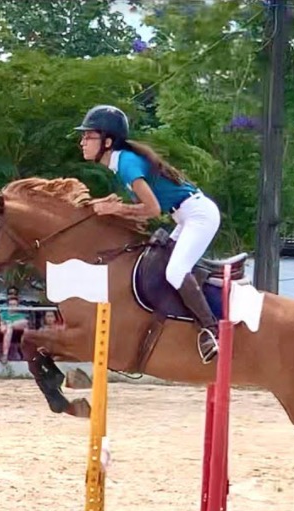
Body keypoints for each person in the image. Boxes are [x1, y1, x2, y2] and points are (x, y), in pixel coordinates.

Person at [75, 104, 221, 363]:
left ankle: (211, 330)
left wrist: (115, 209)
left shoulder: (127, 164)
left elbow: (152, 209)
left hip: (199, 216)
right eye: (83, 136)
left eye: (89, 136)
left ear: (107, 141)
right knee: (161, 264)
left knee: (175, 271)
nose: (82, 141)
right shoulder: (120, 164)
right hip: (185, 216)